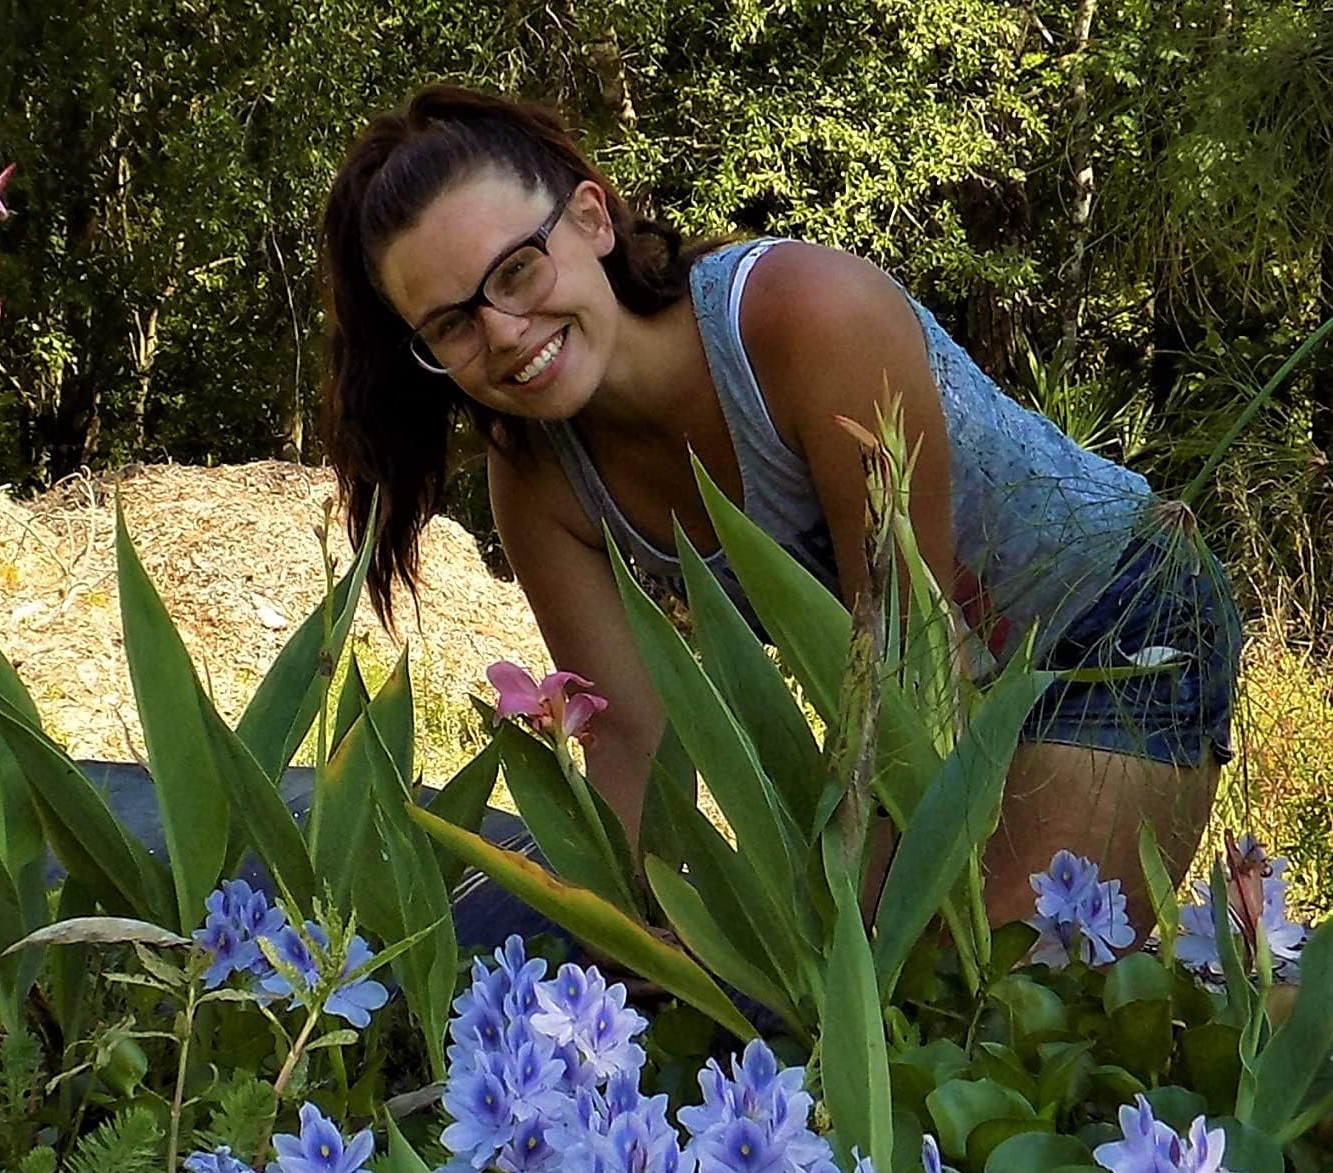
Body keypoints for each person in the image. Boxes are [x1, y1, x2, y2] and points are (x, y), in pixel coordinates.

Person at [319, 83, 1242, 943]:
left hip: (1114, 631)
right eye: (452, 324)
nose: (503, 331)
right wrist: (638, 947)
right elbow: (632, 745)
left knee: (999, 1003)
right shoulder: (538, 480)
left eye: (517, 271)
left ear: (592, 218)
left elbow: (913, 663)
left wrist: (832, 931)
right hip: (924, 703)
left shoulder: (803, 317)